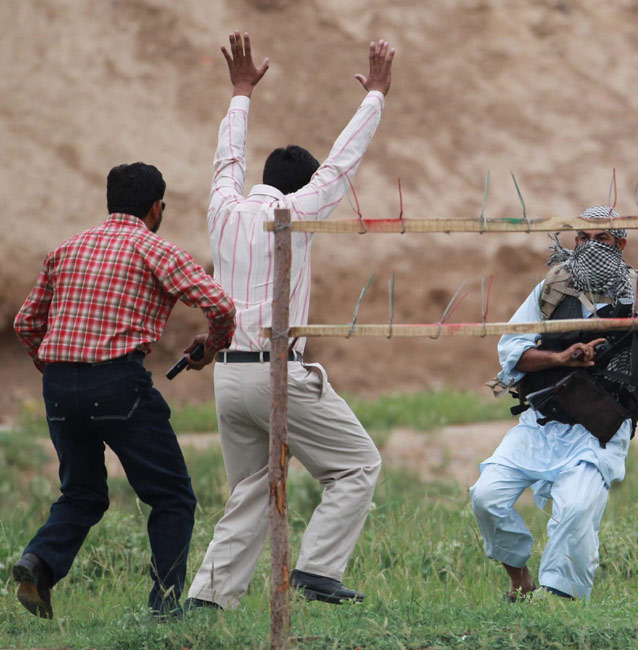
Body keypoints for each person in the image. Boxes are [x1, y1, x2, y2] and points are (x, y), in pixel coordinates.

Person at [185, 32, 393, 610]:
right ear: (301, 187)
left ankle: (208, 600)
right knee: (357, 465)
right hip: (275, 371)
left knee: (253, 491)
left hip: (228, 376)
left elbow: (227, 157)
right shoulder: (296, 212)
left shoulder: (222, 208)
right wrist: (375, 94)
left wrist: (241, 91)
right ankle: (318, 572)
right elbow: (341, 163)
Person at [11, 162, 236, 619]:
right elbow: (221, 306)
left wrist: (59, 372)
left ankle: (39, 561)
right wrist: (212, 347)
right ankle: (164, 607)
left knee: (82, 493)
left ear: (110, 202)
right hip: (118, 383)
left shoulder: (66, 250)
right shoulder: (158, 251)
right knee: (172, 496)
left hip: (58, 385)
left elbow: (26, 323)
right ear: (156, 208)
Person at [470, 206, 638, 601]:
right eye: (583, 238)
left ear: (620, 244)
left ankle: (559, 600)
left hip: (599, 428)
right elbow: (511, 351)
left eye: (602, 239)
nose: (591, 246)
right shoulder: (553, 287)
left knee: (577, 510)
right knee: (486, 496)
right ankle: (520, 581)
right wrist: (561, 358)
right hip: (544, 420)